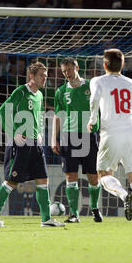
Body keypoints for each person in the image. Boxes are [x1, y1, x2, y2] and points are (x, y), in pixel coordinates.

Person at [0, 62, 65, 228]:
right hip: (20, 146)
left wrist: (40, 133)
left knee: (43, 180)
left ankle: (46, 219)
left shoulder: (40, 95)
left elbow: (37, 116)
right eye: (42, 75)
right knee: (11, 182)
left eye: (46, 75)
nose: (45, 78)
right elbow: (2, 111)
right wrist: (13, 133)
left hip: (36, 145)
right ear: (32, 76)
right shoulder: (21, 92)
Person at [87, 49, 132, 230]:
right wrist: (128, 112)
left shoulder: (97, 81)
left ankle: (123, 195)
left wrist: (93, 119)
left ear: (104, 65)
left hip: (111, 132)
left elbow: (95, 98)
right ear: (122, 65)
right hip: (131, 131)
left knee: (103, 174)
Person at [51, 57, 102, 223]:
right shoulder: (60, 92)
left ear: (77, 68)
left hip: (89, 136)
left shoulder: (91, 86)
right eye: (64, 71)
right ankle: (74, 214)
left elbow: (103, 109)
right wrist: (54, 139)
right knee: (70, 176)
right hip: (68, 136)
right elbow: (58, 116)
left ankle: (95, 209)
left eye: (69, 70)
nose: (67, 74)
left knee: (93, 176)